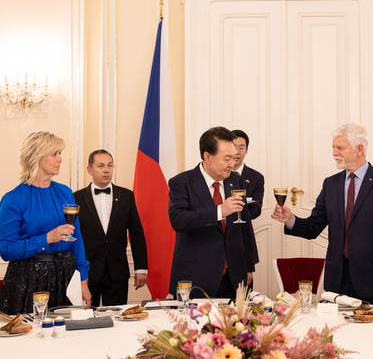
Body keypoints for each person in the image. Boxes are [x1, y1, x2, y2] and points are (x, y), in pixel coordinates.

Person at [272, 123, 373, 306]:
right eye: (333, 148)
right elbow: (313, 227)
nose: (334, 152)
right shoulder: (331, 184)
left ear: (359, 149)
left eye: (340, 148)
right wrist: (290, 219)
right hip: (337, 281)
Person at [0, 131, 91, 314]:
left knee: (67, 336)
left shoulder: (65, 192)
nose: (60, 159)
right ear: (36, 157)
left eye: (60, 153)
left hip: (66, 277)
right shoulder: (13, 199)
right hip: (28, 280)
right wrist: (47, 238)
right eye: (55, 154)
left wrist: (83, 281)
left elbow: (77, 240)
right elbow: (6, 250)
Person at [167, 126, 254, 298]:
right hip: (196, 276)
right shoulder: (181, 182)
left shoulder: (236, 180)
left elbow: (245, 227)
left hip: (234, 277)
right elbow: (178, 220)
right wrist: (219, 211)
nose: (233, 164)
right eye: (227, 158)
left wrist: (249, 266)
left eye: (234, 158)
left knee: (236, 325)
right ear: (208, 157)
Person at [74, 150, 148, 307]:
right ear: (90, 170)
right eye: (100, 166)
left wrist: (141, 268)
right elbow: (72, 236)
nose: (106, 170)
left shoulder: (127, 196)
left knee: (118, 321)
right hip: (87, 273)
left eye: (109, 165)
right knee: (86, 320)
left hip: (117, 272)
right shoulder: (76, 198)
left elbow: (136, 234)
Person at [231, 129, 264, 267]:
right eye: (234, 147)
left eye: (241, 148)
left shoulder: (256, 177)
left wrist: (235, 215)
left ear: (247, 150)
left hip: (243, 238)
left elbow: (256, 209)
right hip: (216, 238)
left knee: (244, 286)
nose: (237, 152)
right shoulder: (219, 174)